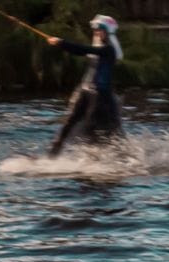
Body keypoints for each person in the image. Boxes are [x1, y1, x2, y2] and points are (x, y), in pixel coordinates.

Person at [45, 14, 124, 157]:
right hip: (86, 92)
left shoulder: (109, 49)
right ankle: (52, 156)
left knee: (103, 130)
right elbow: (84, 52)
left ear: (108, 32)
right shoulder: (100, 48)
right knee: (69, 123)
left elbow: (83, 50)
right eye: (95, 30)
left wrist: (61, 43)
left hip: (101, 96)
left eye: (100, 30)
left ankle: (113, 159)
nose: (97, 33)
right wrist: (61, 44)